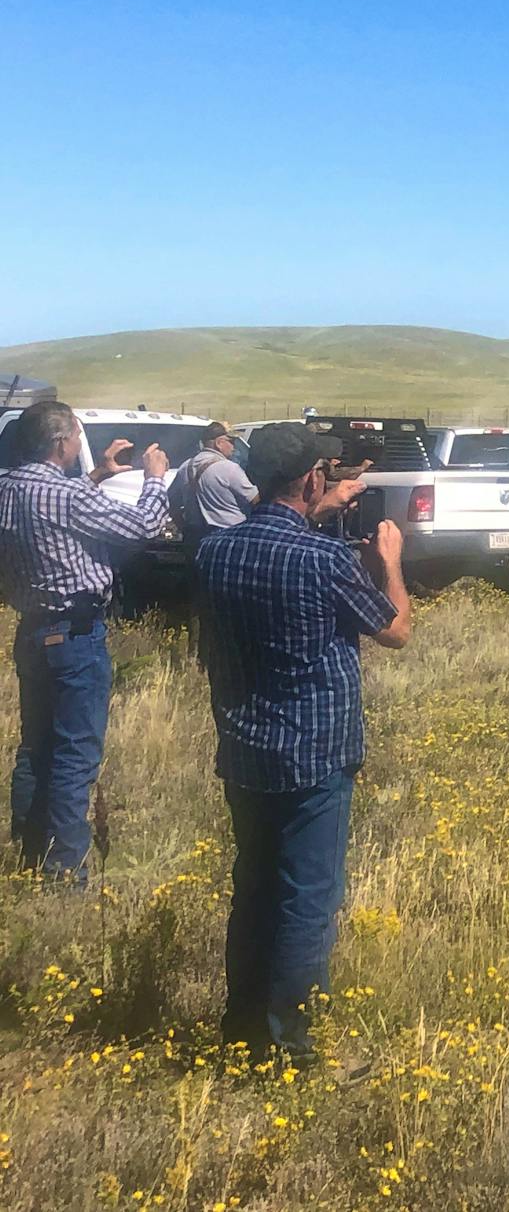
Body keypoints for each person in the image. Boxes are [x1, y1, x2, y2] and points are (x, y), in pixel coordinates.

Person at [196, 421, 411, 1059]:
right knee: (307, 898)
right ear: (313, 478)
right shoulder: (324, 559)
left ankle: (242, 1029)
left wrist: (322, 511)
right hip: (314, 751)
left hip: (245, 745)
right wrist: (389, 564)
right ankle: (291, 1047)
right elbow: (395, 631)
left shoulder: (215, 551)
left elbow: (273, 554)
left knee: (255, 887)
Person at [0, 402, 170, 881]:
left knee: (35, 747)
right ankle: (63, 872)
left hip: (31, 630)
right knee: (75, 754)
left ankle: (28, 852)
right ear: (61, 443)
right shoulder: (65, 496)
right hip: (75, 635)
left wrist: (96, 473)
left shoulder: (9, 487)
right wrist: (154, 477)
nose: (78, 440)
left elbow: (52, 503)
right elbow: (143, 526)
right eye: (76, 434)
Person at [167, 422, 257, 549]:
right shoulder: (229, 468)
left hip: (194, 539)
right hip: (228, 538)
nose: (233, 447)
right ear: (219, 443)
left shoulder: (185, 467)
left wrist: (183, 527)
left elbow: (171, 503)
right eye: (231, 441)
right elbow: (255, 500)